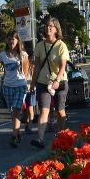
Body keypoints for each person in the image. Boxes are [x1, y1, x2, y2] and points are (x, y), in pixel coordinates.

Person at [31, 16, 70, 149]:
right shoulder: (40, 45)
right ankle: (40, 139)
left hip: (59, 82)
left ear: (56, 29)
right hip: (43, 81)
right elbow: (37, 66)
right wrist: (33, 82)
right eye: (46, 25)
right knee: (44, 110)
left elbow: (63, 66)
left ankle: (62, 135)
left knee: (60, 111)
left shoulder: (61, 45)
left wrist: (57, 80)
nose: (48, 28)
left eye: (51, 26)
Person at [0, 31, 31, 147]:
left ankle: (14, 136)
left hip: (20, 86)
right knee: (13, 112)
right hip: (7, 86)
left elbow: (26, 72)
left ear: (17, 41)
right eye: (9, 38)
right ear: (6, 40)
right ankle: (18, 132)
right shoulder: (2, 55)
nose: (11, 41)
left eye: (13, 39)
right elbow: (5, 70)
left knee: (17, 109)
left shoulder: (23, 55)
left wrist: (27, 84)